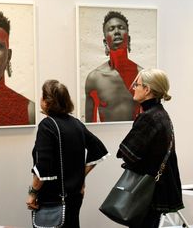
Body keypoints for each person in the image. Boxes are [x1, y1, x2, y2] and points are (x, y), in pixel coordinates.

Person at [26, 80, 109, 228]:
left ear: (47, 102)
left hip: (52, 199)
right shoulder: (76, 123)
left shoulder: (47, 126)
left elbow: (43, 167)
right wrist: (80, 178)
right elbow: (98, 150)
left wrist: (32, 193)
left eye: (42, 96)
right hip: (74, 197)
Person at [116, 68, 184, 227]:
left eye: (136, 85)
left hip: (147, 193)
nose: (133, 88)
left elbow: (126, 153)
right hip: (156, 190)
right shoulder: (161, 113)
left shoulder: (149, 117)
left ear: (147, 90)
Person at [85, 11, 143, 122]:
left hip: (136, 138)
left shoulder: (142, 76)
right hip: (105, 138)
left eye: (121, 27)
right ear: (105, 42)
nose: (116, 32)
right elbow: (89, 126)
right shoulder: (94, 79)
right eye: (111, 29)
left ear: (129, 39)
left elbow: (148, 122)